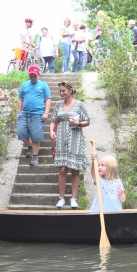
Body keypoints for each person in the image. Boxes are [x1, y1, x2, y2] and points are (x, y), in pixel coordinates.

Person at [49, 81, 90, 209]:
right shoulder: (58, 105)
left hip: (75, 139)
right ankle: (61, 198)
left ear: (70, 90)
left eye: (63, 91)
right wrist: (51, 131)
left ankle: (73, 198)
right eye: (60, 91)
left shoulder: (79, 105)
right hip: (61, 140)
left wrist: (78, 123)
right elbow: (53, 121)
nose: (61, 93)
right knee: (62, 169)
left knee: (75, 170)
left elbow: (87, 121)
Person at [17, 65, 51, 167]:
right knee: (21, 133)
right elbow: (20, 99)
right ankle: (31, 147)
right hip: (24, 113)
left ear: (38, 75)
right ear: (29, 74)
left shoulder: (43, 85)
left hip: (37, 114)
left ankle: (35, 157)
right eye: (31, 76)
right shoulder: (24, 85)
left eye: (34, 76)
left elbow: (47, 99)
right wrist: (19, 112)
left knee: (36, 137)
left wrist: (46, 113)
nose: (32, 78)